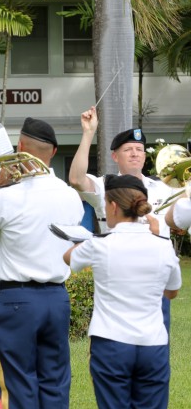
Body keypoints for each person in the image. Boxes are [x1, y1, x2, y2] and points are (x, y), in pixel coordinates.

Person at [0, 118, 84, 409]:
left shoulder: (5, 196)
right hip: (57, 298)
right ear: (53, 152)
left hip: (17, 299)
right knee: (54, 382)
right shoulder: (70, 196)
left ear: (19, 148)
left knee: (18, 386)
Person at [64, 174, 181, 409]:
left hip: (111, 343)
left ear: (113, 206)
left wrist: (83, 241)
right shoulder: (162, 245)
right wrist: (157, 236)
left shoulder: (100, 244)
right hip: (152, 344)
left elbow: (69, 258)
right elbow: (171, 292)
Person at [69, 106, 175, 329]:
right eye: (128, 149)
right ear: (114, 156)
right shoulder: (104, 186)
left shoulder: (163, 189)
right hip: (117, 278)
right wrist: (88, 133)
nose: (135, 153)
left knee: (156, 347)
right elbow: (77, 179)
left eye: (139, 149)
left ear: (145, 156)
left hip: (154, 281)